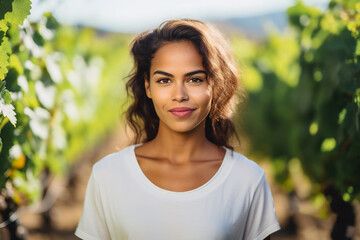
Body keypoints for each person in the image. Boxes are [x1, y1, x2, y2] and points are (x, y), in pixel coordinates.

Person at [75, 19, 280, 240]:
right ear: (148, 87)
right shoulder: (108, 176)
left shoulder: (247, 180)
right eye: (164, 80)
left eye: (194, 79)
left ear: (215, 85)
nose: (179, 95)